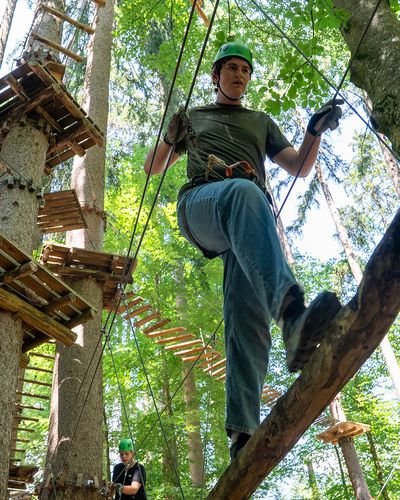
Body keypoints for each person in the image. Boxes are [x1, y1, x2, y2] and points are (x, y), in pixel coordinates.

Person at [144, 41, 343, 460]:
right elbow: (153, 167)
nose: (239, 75)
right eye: (231, 68)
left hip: (247, 225)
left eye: (246, 70)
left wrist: (314, 131)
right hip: (203, 204)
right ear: (215, 76)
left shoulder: (260, 122)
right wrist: (169, 137)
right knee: (243, 192)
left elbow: (299, 167)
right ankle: (292, 316)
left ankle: (242, 433)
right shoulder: (193, 117)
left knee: (247, 317)